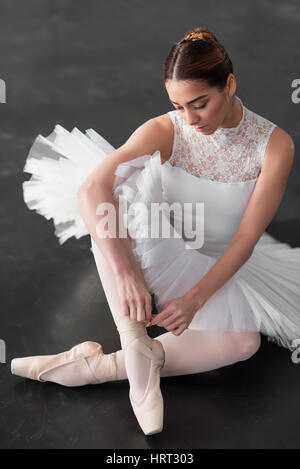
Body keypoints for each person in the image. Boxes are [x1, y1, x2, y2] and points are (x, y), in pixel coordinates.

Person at [11, 27, 298, 436]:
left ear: (230, 84)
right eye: (178, 105)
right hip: (151, 238)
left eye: (200, 104)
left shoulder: (275, 146)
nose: (189, 119)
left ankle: (96, 367)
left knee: (243, 343)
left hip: (210, 258)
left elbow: (246, 239)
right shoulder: (167, 129)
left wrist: (196, 300)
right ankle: (136, 355)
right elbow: (91, 188)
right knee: (114, 198)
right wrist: (126, 272)